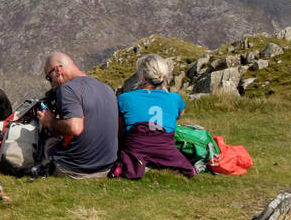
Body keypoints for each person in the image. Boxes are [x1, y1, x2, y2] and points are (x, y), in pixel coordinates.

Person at [29, 51, 119, 179]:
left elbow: (75, 128)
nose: (51, 84)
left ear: (58, 70)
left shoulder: (68, 89)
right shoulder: (106, 88)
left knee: (49, 144)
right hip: (107, 167)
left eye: (49, 77)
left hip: (78, 169)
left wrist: (51, 122)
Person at [110, 54, 196, 179]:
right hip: (166, 151)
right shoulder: (175, 98)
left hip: (135, 150)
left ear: (141, 75)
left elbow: (120, 129)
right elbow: (179, 115)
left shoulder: (125, 98)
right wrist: (163, 88)